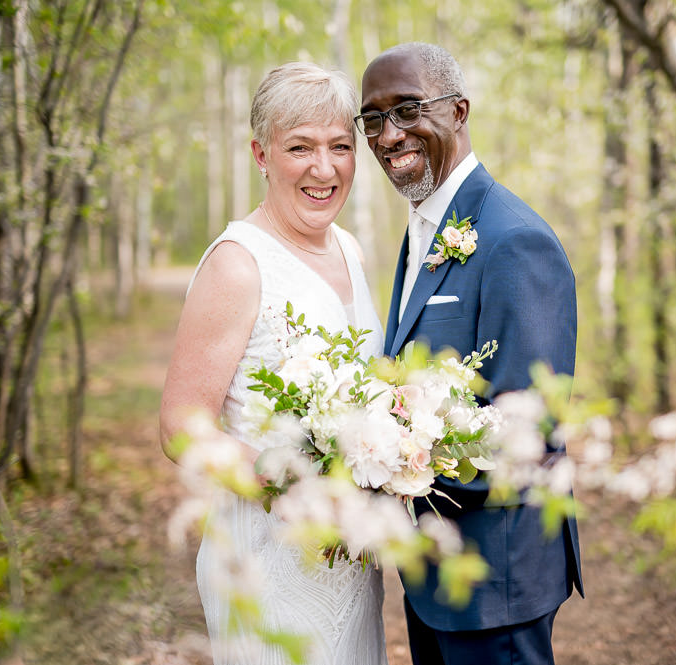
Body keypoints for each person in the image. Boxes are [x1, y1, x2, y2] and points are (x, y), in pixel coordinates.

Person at [357, 42, 583, 665]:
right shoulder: (426, 226)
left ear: (458, 112)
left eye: (407, 110)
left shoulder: (515, 240)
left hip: (495, 579)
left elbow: (526, 433)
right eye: (372, 119)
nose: (387, 134)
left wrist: (393, 468)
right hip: (435, 573)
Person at [159, 62, 387, 665]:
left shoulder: (350, 250)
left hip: (348, 559)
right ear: (261, 154)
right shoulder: (238, 264)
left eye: (341, 146)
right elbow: (181, 429)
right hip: (266, 560)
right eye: (300, 147)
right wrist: (292, 481)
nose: (324, 167)